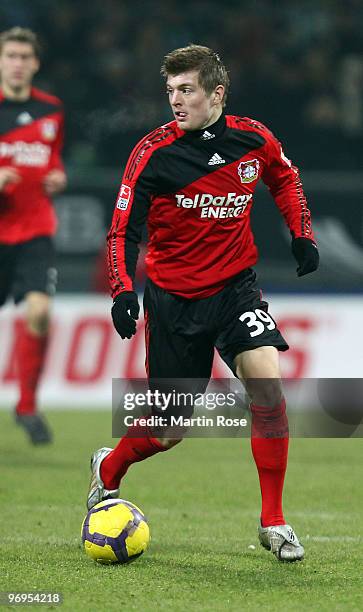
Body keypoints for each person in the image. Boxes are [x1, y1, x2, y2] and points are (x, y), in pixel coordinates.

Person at [87, 45, 319, 561]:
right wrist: (123, 291)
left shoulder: (252, 139)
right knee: (168, 432)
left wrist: (301, 232)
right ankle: (108, 468)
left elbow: (285, 176)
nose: (175, 100)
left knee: (267, 385)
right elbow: (122, 231)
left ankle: (274, 522)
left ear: (216, 93)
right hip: (174, 300)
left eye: (186, 89)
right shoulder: (153, 153)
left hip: (236, 288)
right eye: (170, 90)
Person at [0, 27, 67, 444]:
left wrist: (59, 176)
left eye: (25, 56)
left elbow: (51, 159)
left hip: (35, 229)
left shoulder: (52, 111)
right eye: (11, 55)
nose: (18, 62)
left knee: (40, 313)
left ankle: (26, 404)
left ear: (35, 63)